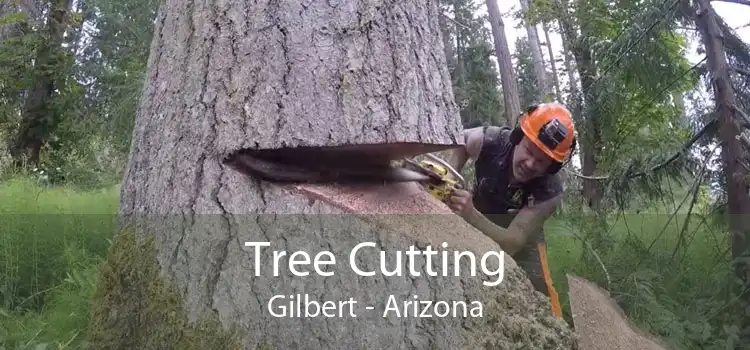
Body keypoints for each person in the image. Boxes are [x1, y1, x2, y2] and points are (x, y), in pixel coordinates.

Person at [444, 102, 577, 319]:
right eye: (528, 150)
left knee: (542, 293)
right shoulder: (493, 140)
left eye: (541, 161)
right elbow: (462, 141)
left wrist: (470, 216)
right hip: (480, 213)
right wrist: (450, 177)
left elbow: (514, 242)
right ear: (517, 137)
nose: (530, 163)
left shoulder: (550, 190)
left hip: (522, 237)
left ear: (552, 167)